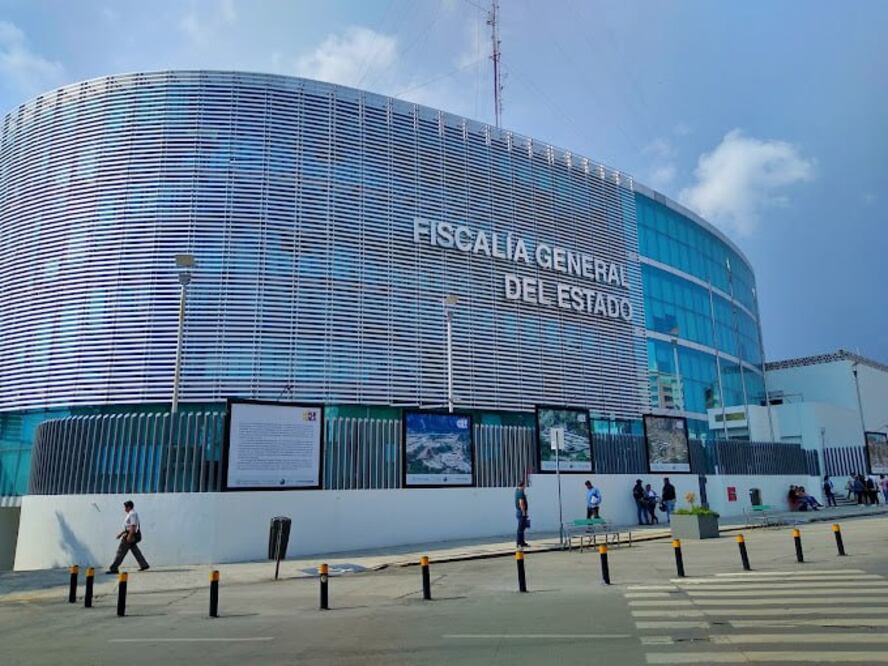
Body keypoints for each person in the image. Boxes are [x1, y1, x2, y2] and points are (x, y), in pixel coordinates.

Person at [106, 500, 149, 574]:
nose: (124, 509)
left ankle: (114, 568)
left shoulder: (132, 514)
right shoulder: (131, 514)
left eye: (125, 507)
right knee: (135, 551)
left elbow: (133, 526)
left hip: (130, 535)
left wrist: (129, 536)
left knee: (121, 551)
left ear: (129, 507)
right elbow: (128, 527)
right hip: (130, 534)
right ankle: (144, 565)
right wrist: (121, 534)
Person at [515, 480, 530, 548]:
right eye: (524, 485)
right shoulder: (521, 492)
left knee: (522, 528)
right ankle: (519, 543)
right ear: (522, 485)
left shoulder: (517, 491)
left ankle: (522, 542)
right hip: (521, 512)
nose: (525, 487)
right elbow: (521, 503)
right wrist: (524, 512)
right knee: (520, 529)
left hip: (519, 512)